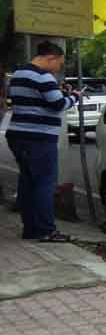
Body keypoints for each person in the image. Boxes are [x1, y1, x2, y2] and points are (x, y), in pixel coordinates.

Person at [4, 41, 79, 241]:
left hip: (18, 134)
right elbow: (58, 104)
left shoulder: (19, 74)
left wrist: (60, 92)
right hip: (38, 137)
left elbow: (36, 101)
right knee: (45, 184)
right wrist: (74, 97)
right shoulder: (43, 76)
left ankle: (30, 229)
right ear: (50, 58)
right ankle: (46, 230)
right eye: (59, 63)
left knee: (28, 183)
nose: (59, 68)